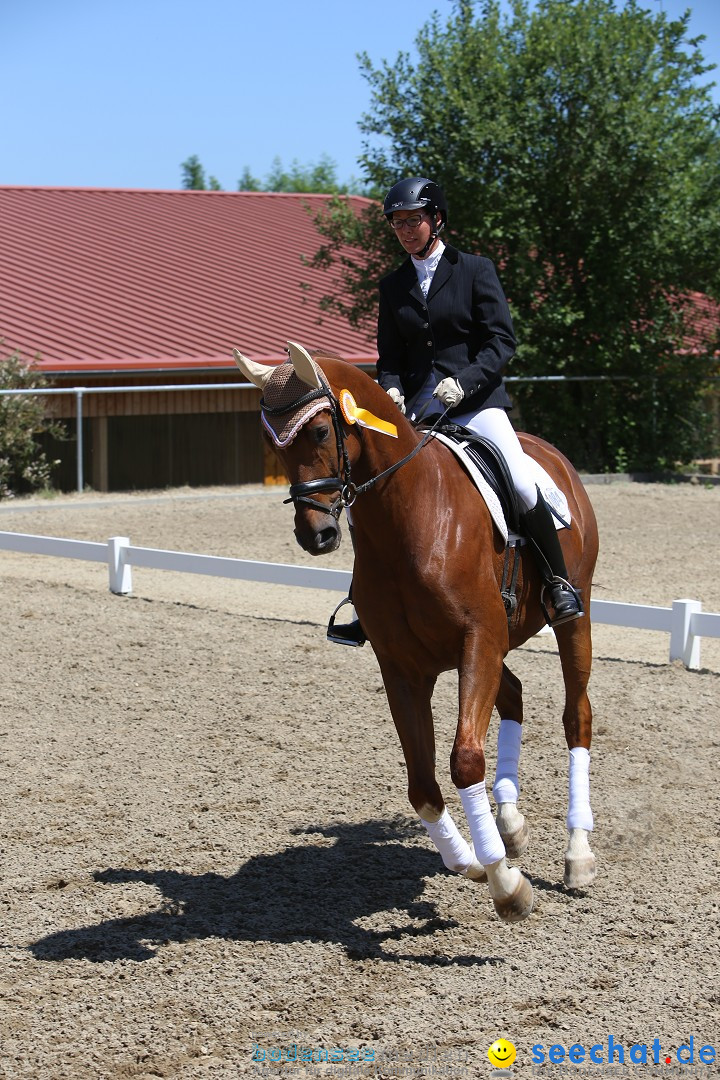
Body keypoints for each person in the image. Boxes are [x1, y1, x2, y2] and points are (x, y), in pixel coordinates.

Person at [328, 176, 583, 646]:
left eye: (413, 220)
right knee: (371, 491)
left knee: (522, 482)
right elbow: (390, 358)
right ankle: (365, 603)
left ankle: (557, 583)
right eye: (397, 223)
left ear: (436, 219)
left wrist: (463, 383)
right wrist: (391, 390)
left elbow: (501, 341)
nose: (405, 229)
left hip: (477, 403)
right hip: (419, 412)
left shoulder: (474, 270)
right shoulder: (393, 285)